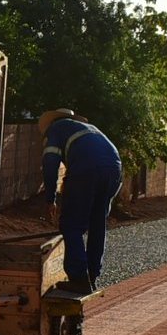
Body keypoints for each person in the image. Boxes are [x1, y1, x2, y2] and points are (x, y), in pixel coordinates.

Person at [39, 108, 124, 298]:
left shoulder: (56, 129)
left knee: (71, 225)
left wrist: (50, 199)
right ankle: (92, 276)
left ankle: (78, 279)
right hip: (114, 170)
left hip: (86, 170)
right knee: (97, 224)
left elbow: (50, 164)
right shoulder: (89, 128)